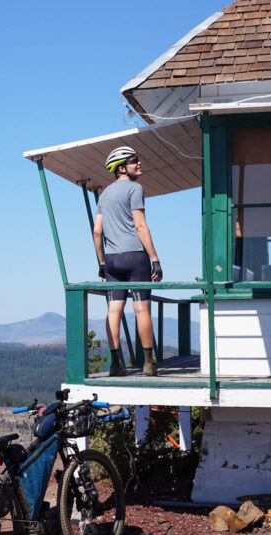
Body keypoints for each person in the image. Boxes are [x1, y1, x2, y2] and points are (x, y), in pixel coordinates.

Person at [93, 146, 163, 377]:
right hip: (135, 256)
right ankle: (148, 364)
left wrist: (102, 264)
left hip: (112, 260)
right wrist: (155, 259)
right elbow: (140, 225)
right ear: (122, 167)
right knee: (141, 310)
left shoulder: (104, 195)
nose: (139, 163)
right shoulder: (135, 188)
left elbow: (97, 232)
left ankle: (115, 365)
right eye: (134, 161)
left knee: (114, 311)